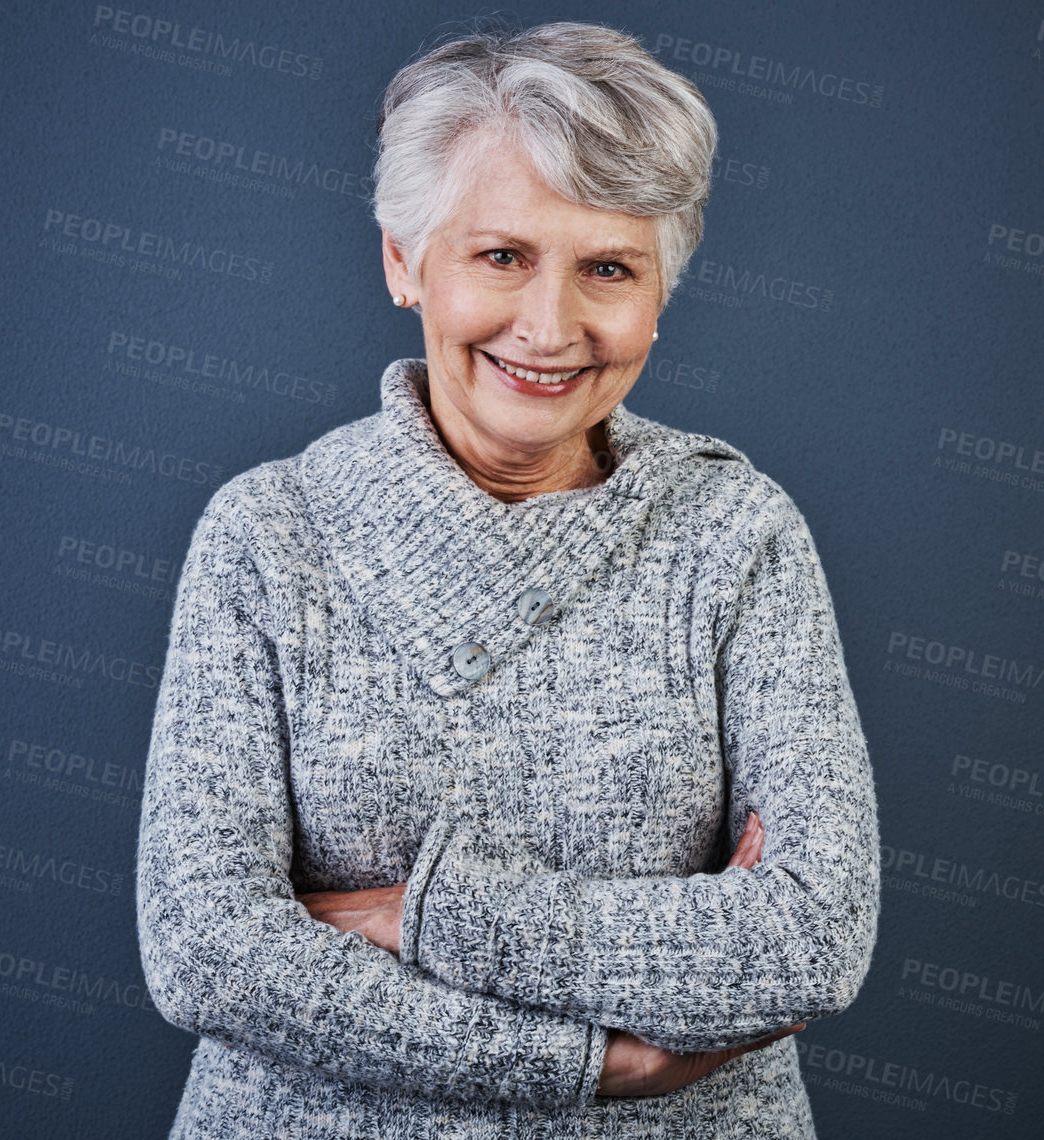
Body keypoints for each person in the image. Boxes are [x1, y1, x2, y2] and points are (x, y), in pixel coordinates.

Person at [136, 20, 879, 1138]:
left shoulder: (737, 533)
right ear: (404, 261)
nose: (551, 327)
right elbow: (206, 953)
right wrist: (594, 1065)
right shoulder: (268, 533)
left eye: (609, 269)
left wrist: (414, 916)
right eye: (502, 256)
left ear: (660, 292)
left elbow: (810, 943)